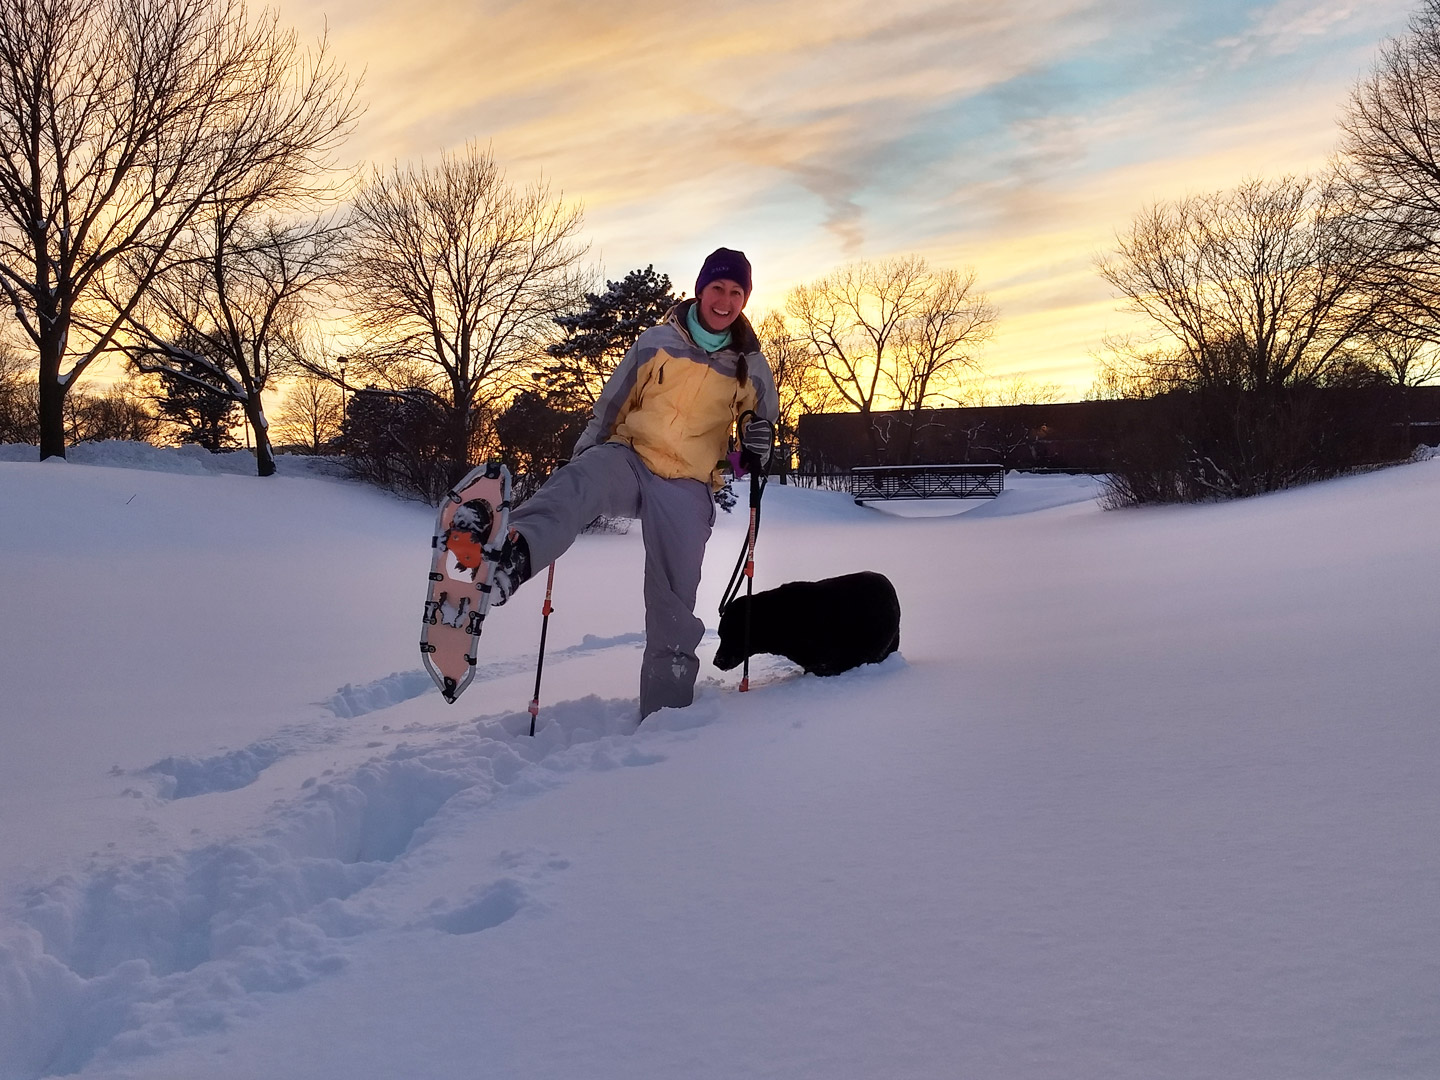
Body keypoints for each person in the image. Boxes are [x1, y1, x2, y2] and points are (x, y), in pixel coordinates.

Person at [487, 247, 779, 720]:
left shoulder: (751, 367)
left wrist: (752, 451)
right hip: (630, 458)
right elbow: (611, 407)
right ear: (701, 289)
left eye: (736, 292)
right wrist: (583, 461)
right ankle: (511, 553)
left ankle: (666, 719)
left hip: (687, 484)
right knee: (580, 482)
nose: (725, 300)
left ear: (744, 299)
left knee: (674, 603)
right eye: (717, 288)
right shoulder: (655, 342)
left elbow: (754, 450)